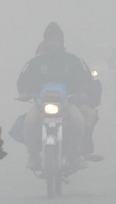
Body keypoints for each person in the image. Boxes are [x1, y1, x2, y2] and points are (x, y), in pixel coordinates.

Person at [16, 22, 101, 170]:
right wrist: (25, 93)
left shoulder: (73, 60)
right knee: (29, 122)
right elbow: (23, 81)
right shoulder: (35, 62)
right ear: (45, 41)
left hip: (68, 102)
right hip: (40, 103)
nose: (52, 43)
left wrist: (83, 93)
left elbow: (87, 80)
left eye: (55, 40)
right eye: (49, 40)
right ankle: (34, 156)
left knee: (79, 121)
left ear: (61, 41)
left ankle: (75, 156)